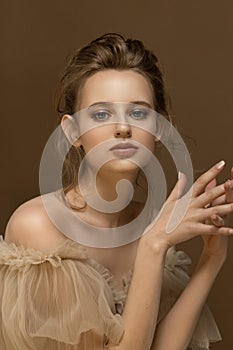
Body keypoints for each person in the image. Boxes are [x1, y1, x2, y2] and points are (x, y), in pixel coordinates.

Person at [1, 33, 233, 350]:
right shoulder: (38, 227)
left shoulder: (153, 225)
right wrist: (154, 244)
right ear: (72, 131)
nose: (123, 128)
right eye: (101, 114)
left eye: (138, 113)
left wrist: (212, 258)